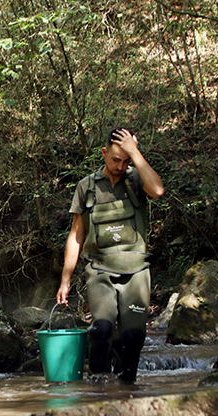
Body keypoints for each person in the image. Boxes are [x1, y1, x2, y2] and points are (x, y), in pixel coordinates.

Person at [56, 128, 164, 384]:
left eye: (126, 160)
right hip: (100, 270)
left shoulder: (137, 180)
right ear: (104, 153)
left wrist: (134, 152)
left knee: (134, 337)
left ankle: (127, 387)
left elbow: (158, 191)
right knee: (102, 329)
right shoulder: (87, 187)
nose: (120, 165)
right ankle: (97, 384)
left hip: (136, 271)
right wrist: (66, 279)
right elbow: (76, 236)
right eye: (116, 159)